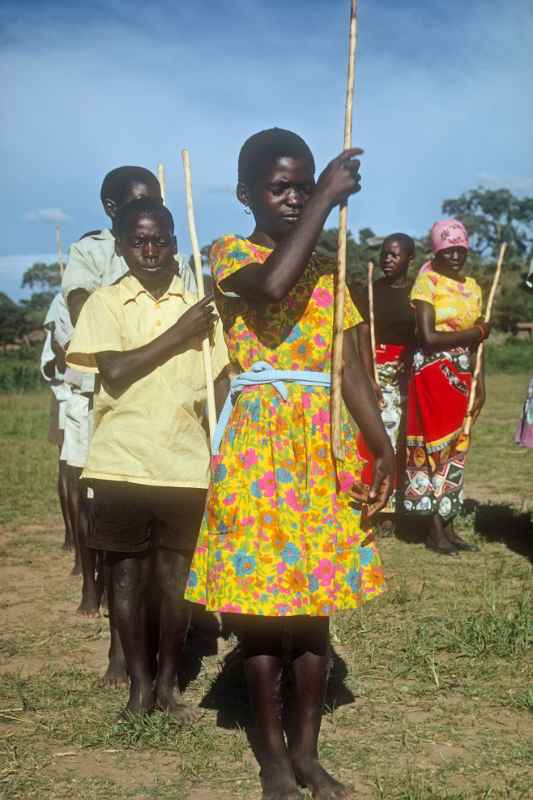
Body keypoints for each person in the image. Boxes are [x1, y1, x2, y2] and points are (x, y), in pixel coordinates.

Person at [185, 128, 394, 800]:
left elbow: (349, 368)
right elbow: (273, 289)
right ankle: (271, 759)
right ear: (246, 194)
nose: (295, 197)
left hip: (318, 454)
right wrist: (330, 202)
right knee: (260, 615)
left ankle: (306, 753)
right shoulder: (229, 255)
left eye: (305, 184)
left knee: (313, 613)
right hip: (256, 452)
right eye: (280, 186)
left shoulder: (330, 274)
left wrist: (379, 441)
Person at [67, 198, 229, 719]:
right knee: (127, 580)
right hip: (122, 463)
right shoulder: (105, 303)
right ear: (121, 247)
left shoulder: (201, 305)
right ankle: (137, 688)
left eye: (160, 239)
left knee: (175, 582)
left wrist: (218, 436)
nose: (151, 250)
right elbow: (114, 372)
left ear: (175, 244)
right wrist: (179, 332)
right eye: (138, 241)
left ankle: (166, 684)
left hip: (184, 465)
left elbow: (220, 380)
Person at [403, 219, 490, 554]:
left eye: (460, 249)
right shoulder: (427, 282)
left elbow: (478, 348)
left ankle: (449, 523)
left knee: (457, 449)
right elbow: (427, 337)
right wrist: (477, 333)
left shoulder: (475, 287)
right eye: (448, 249)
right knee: (432, 449)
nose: (455, 255)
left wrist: (480, 383)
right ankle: (432, 528)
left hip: (463, 376)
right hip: (431, 374)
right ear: (437, 251)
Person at [354, 234, 417, 534]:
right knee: (376, 437)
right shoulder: (370, 292)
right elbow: (363, 336)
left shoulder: (418, 295)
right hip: (376, 373)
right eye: (384, 254)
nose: (388, 259)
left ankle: (401, 504)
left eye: (395, 255)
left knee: (403, 438)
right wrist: (368, 377)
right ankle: (378, 506)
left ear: (410, 259)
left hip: (406, 374)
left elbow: (422, 334)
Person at [40, 293, 74, 553]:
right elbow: (51, 365)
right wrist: (60, 350)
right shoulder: (61, 300)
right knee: (66, 468)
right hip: (63, 396)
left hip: (90, 396)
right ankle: (70, 532)